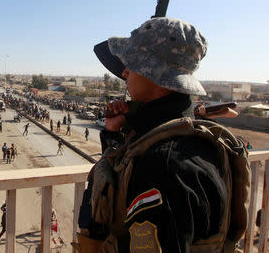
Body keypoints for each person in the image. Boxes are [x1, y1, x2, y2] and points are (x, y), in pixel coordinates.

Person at [74, 18, 250, 252]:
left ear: (155, 74)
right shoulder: (182, 137)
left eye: (132, 64)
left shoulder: (164, 163)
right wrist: (114, 133)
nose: (125, 72)